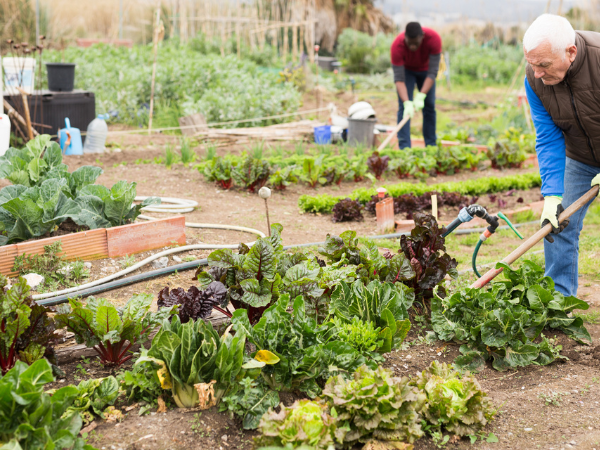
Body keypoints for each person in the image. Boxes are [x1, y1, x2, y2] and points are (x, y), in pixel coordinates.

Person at [523, 13, 600, 296]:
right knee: (559, 223)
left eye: (544, 65)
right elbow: (548, 136)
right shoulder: (535, 80)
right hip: (579, 156)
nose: (538, 73)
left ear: (571, 52)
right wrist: (552, 194)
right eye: (532, 65)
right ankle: (559, 301)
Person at [390, 22, 442, 149]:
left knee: (429, 106)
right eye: (410, 42)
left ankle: (431, 145)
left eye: (416, 42)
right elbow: (399, 79)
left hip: (426, 71)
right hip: (406, 71)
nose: (412, 46)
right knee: (403, 108)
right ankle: (404, 148)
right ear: (405, 38)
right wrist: (407, 101)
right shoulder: (397, 45)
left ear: (422, 36)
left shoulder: (434, 39)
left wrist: (422, 95)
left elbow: (433, 72)